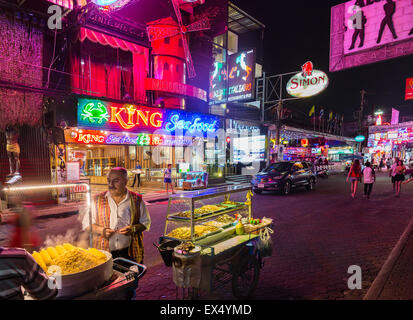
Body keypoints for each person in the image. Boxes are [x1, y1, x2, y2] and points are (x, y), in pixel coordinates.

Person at [82, 167, 151, 263]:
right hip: (104, 254)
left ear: (126, 181)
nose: (110, 185)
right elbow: (86, 224)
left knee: (131, 277)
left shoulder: (136, 200)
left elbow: (145, 222)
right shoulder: (97, 199)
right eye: (109, 181)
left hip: (131, 253)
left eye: (115, 181)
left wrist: (133, 229)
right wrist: (101, 230)